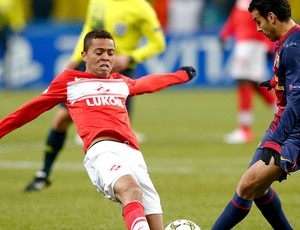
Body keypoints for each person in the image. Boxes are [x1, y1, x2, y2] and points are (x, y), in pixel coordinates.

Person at [0, 29, 196, 230]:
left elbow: (146, 83)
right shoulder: (69, 81)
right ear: (84, 56)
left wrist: (180, 75)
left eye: (110, 53)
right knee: (130, 190)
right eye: (99, 52)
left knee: (155, 224)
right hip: (102, 152)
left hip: (133, 154)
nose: (106, 57)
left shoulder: (120, 81)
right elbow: (29, 110)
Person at [24, 0, 166, 192]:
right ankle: (44, 173)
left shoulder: (140, 7)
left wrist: (130, 57)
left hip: (118, 75)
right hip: (90, 67)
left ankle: (126, 184)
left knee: (118, 134)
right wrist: (75, 59)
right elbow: (88, 30)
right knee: (60, 120)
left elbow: (158, 44)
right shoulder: (97, 2)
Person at [212, 0, 300, 229]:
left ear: (271, 17)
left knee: (247, 185)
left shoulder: (294, 47)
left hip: (294, 130)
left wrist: (276, 140)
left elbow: (297, 103)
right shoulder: (287, 40)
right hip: (283, 123)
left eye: (258, 21)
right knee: (258, 188)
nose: (258, 28)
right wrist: (275, 82)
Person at [220, 0, 277, 144]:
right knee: (253, 82)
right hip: (242, 43)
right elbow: (235, 17)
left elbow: (268, 21)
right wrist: (225, 34)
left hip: (254, 44)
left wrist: (268, 45)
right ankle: (283, 112)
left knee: (244, 80)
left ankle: (245, 130)